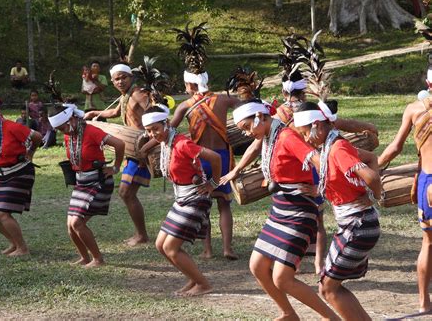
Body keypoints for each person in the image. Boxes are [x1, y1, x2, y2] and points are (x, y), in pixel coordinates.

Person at [220, 99, 339, 320]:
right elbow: (256, 150)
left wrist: (318, 186)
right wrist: (235, 170)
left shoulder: (286, 137)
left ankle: (332, 318)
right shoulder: (269, 135)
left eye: (247, 127)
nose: (246, 134)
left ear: (260, 117)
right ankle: (288, 313)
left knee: (282, 278)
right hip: (281, 209)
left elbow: (321, 161)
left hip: (299, 212)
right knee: (257, 265)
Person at [294, 101, 382, 320]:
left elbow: (371, 176)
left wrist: (374, 196)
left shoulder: (337, 148)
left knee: (328, 287)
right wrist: (319, 188)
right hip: (355, 225)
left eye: (306, 133)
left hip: (359, 225)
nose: (306, 139)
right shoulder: (331, 146)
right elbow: (371, 158)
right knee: (328, 286)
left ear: (317, 125)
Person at [170, 22, 239, 260]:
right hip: (222, 157)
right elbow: (247, 106)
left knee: (204, 205)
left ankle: (208, 250)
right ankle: (228, 248)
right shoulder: (223, 100)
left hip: (200, 159)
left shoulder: (185, 106)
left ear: (190, 84)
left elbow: (168, 129)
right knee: (224, 204)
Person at [142, 105, 222, 296]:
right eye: (149, 130)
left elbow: (215, 157)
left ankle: (203, 284)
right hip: (182, 198)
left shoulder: (181, 143)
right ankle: (193, 278)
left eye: (156, 129)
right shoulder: (165, 142)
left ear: (167, 123)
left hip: (196, 198)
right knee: (160, 245)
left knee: (171, 247)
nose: (153, 133)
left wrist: (213, 183)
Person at [378, 69, 432, 314]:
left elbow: (395, 147)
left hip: (428, 183)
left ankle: (424, 303)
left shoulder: (414, 109)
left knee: (428, 243)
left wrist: (375, 166)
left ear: (428, 83)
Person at [49, 104, 125, 268]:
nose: (63, 131)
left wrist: (115, 168)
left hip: (99, 181)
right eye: (59, 129)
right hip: (81, 182)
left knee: (77, 223)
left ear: (71, 119)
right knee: (70, 225)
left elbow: (119, 144)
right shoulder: (69, 134)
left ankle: (98, 259)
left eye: (63, 127)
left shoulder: (92, 131)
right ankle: (84, 257)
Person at [84, 63, 152, 246]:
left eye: (124, 77)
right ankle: (141, 234)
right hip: (134, 151)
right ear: (112, 81)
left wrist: (150, 143)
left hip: (142, 151)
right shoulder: (126, 96)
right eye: (117, 79)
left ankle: (142, 235)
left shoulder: (138, 94)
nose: (120, 81)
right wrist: (95, 113)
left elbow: (157, 114)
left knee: (126, 193)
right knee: (126, 193)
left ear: (131, 77)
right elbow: (115, 112)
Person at [0, 97, 42, 256]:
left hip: (20, 172)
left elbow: (37, 136)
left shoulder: (11, 126)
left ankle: (23, 249)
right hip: (1, 175)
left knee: (2, 213)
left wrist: (30, 153)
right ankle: (14, 244)